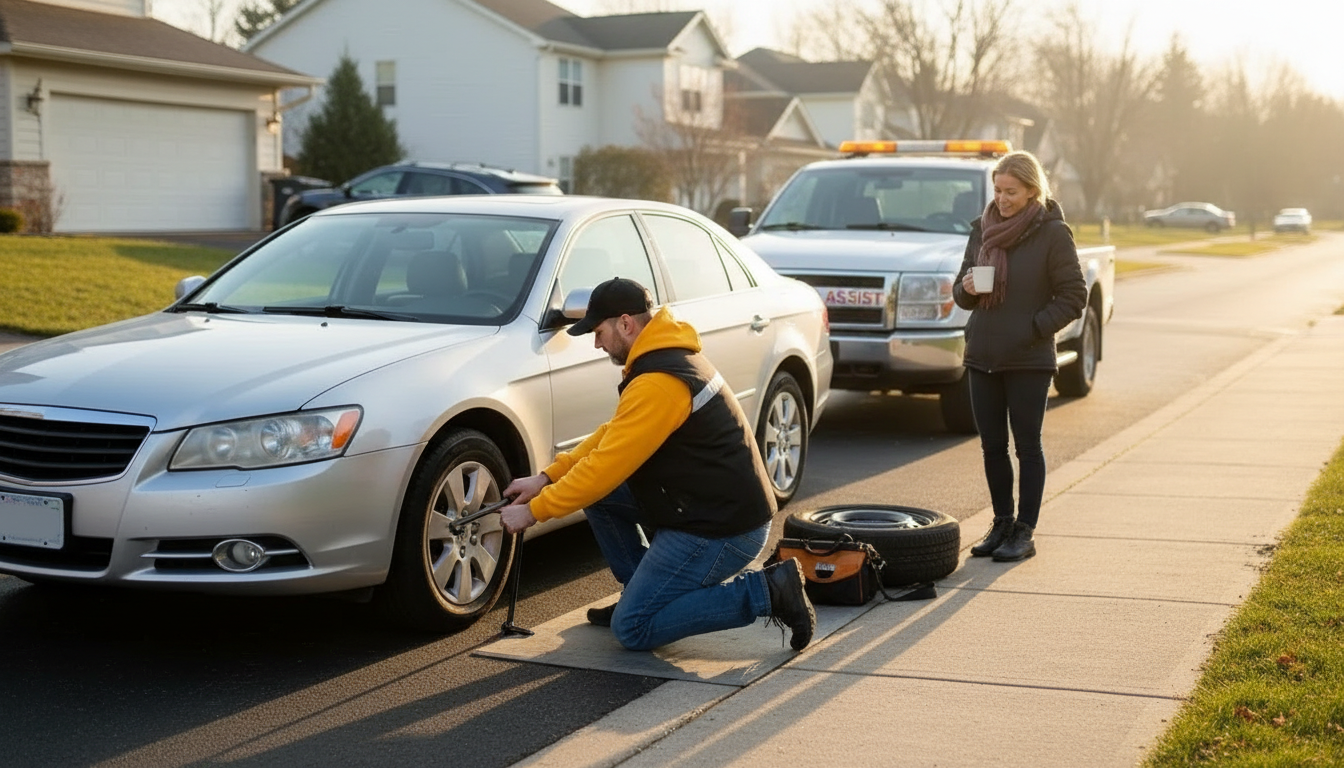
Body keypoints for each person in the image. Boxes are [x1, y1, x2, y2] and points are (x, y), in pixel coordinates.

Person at [498, 277, 817, 651]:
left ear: (625, 323)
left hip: (723, 529)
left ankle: (768, 591)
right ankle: (641, 592)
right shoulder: (663, 357)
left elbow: (605, 466)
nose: (597, 343)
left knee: (632, 627)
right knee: (601, 496)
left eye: (598, 332)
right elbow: (611, 435)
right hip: (704, 505)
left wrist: (534, 512)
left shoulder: (659, 381)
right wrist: (545, 478)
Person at [951, 151, 1086, 562]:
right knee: (992, 446)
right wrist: (968, 289)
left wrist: (1032, 328)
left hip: (1029, 358)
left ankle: (1024, 531)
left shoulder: (1053, 233)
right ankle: (1002, 523)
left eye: (1011, 192)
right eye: (997, 190)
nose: (1003, 199)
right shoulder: (982, 230)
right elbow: (959, 292)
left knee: (1027, 446)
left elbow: (1074, 296)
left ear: (1032, 191)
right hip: (983, 355)